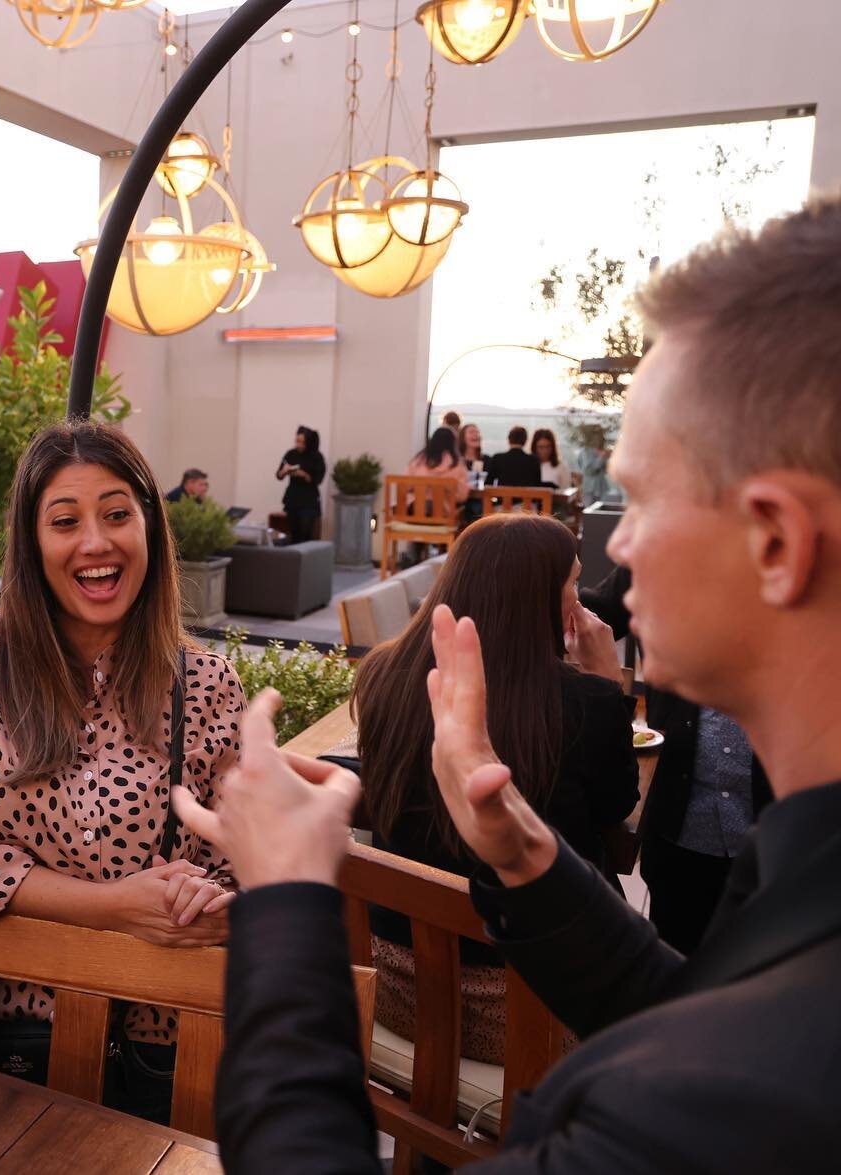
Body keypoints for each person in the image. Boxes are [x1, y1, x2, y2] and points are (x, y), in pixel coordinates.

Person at [177, 193, 841, 1172]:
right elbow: (689, 1013)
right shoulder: (799, 880)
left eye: (641, 499)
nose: (617, 565)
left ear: (777, 541)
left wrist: (284, 901)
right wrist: (524, 850)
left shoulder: (743, 1107)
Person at [0, 419, 245, 1121]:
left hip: (164, 1050)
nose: (96, 542)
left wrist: (206, 906)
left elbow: (239, 880)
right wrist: (118, 906)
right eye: (65, 520)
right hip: (4, 1034)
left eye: (117, 514)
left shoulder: (208, 682)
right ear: (33, 544)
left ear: (150, 530)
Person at [352, 513, 636, 1063]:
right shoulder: (581, 704)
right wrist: (607, 683)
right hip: (530, 1007)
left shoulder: (384, 675)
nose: (580, 598)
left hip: (395, 983)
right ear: (537, 597)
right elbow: (617, 806)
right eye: (573, 582)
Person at [583, 565, 773, 954]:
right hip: (681, 824)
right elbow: (592, 614)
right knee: (677, 959)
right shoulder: (660, 557)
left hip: (777, 836)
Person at [275, 426, 326, 543]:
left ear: (308, 443)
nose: (298, 444)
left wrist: (304, 475)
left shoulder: (317, 457)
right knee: (293, 532)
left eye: (302, 442)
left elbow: (318, 480)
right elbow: (279, 475)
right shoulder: (290, 454)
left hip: (309, 499)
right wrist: (284, 471)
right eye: (297, 441)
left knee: (306, 533)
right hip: (293, 497)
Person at [404, 426, 470, 500]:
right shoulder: (457, 464)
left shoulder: (418, 461)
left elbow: (405, 486)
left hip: (413, 507)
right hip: (443, 509)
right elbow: (462, 496)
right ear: (453, 444)